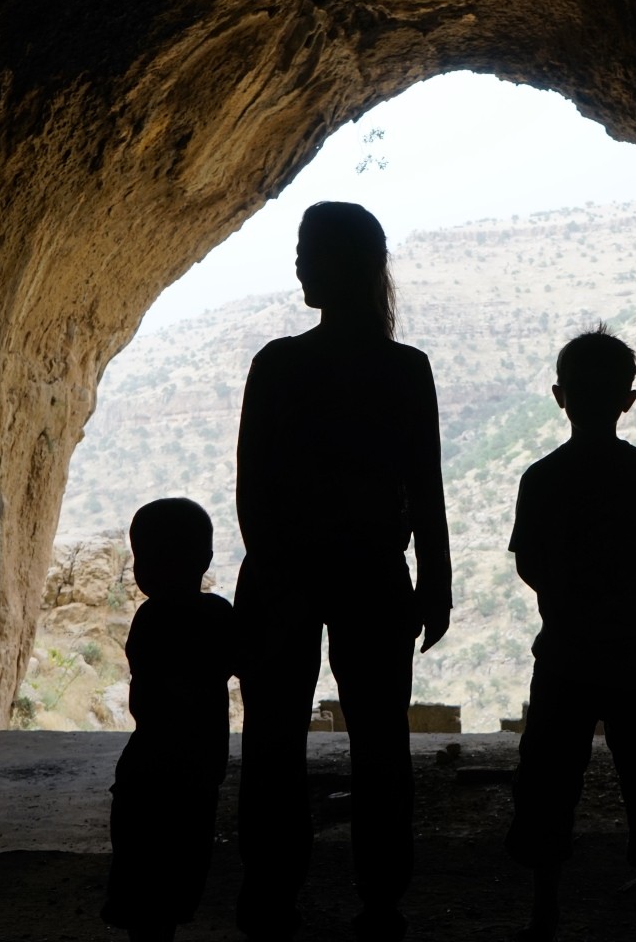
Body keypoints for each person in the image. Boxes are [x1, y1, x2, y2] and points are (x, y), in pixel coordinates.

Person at [234, 201, 452, 941]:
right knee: (380, 744)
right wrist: (435, 580)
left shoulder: (279, 364)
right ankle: (382, 896)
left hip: (284, 576)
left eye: (309, 249)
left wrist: (274, 577)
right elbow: (424, 490)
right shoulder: (403, 369)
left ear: (343, 262)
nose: (298, 263)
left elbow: (252, 490)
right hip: (370, 574)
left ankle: (271, 891)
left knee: (273, 742)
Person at [504, 327, 636, 942]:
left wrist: (568, 602)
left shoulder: (542, 477)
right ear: (627, 400)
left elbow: (529, 561)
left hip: (563, 651)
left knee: (548, 778)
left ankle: (544, 911)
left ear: (560, 397)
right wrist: (629, 603)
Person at [101, 498, 238, 942]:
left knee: (141, 862)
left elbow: (145, 696)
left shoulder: (151, 617)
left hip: (147, 766)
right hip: (198, 770)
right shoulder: (218, 615)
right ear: (206, 558)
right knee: (183, 859)